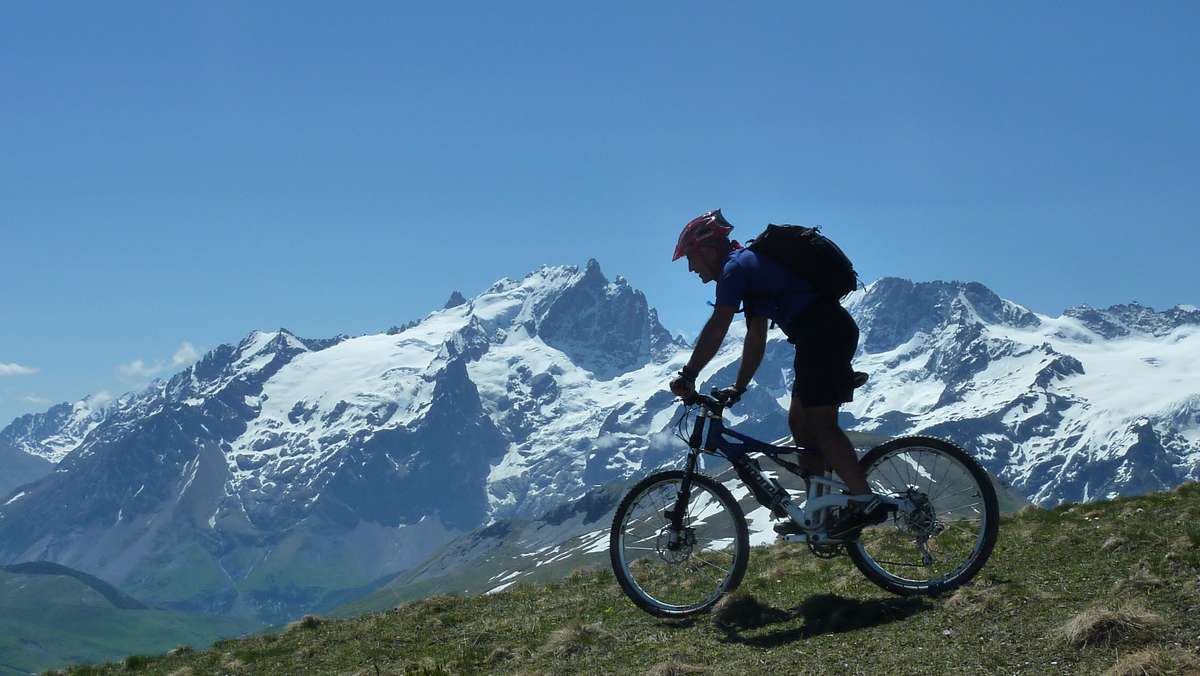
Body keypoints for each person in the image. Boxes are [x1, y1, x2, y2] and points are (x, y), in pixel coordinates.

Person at [667, 209, 889, 538]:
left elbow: (718, 326)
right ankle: (820, 514)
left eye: (692, 258)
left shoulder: (734, 268)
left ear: (709, 249)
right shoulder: (750, 269)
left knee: (820, 423)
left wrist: (688, 374)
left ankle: (865, 501)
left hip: (822, 334)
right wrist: (738, 388)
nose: (691, 268)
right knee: (800, 423)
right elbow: (755, 338)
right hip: (823, 334)